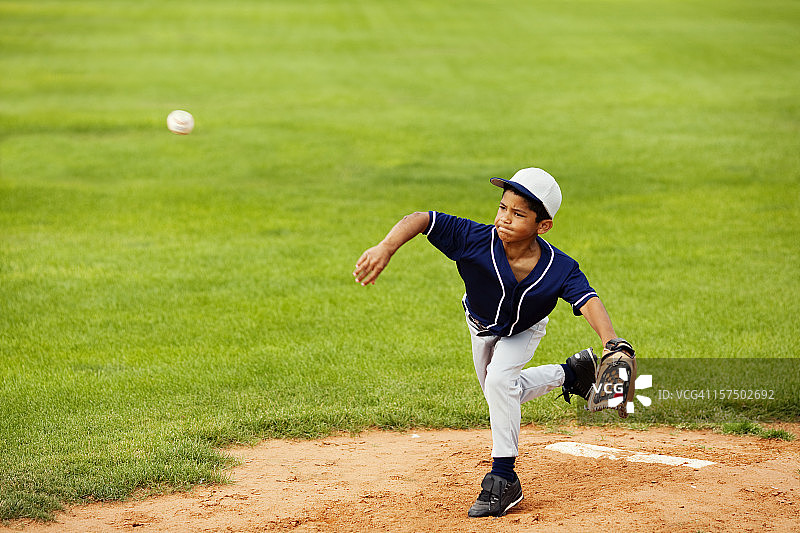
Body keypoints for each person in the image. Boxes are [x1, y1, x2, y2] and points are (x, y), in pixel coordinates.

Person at [353, 167, 625, 518]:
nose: (504, 219)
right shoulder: (474, 238)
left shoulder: (560, 268)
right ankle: (573, 375)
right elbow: (421, 219)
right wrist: (386, 247)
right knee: (499, 392)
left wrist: (611, 342)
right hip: (479, 324)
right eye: (502, 208)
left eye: (518, 214)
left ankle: (503, 477)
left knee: (500, 382)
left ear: (543, 226)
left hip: (525, 329)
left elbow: (587, 299)